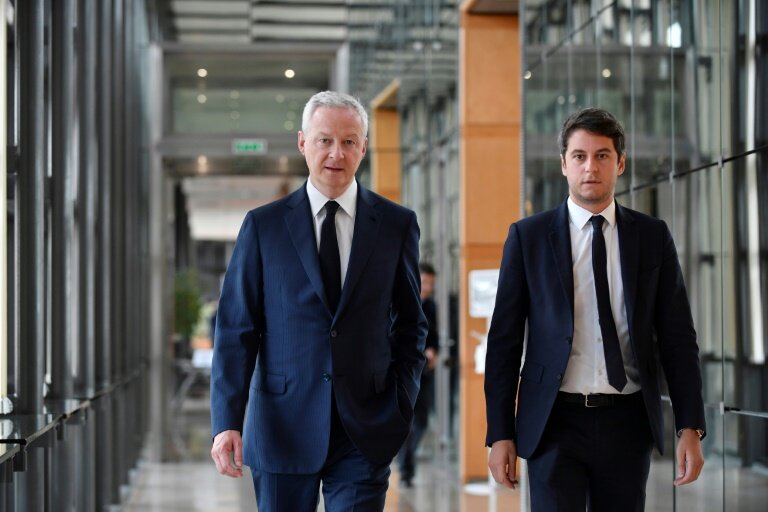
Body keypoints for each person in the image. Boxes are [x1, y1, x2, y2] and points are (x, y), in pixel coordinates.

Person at [210, 90, 428, 511]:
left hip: (365, 427)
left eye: (349, 141)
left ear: (364, 148)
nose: (336, 153)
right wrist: (227, 422)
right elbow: (237, 329)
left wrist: (401, 400)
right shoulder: (263, 227)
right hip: (281, 426)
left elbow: (411, 324)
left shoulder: (396, 225)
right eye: (325, 139)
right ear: (302, 143)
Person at [484, 107, 706, 511]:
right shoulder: (528, 238)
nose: (591, 167)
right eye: (580, 156)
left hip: (628, 421)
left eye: (602, 155)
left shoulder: (652, 237)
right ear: (564, 165)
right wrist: (500, 433)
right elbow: (503, 343)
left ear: (620, 163)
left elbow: (677, 338)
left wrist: (690, 425)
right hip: (554, 422)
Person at [398, 262, 439, 487]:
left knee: (421, 422)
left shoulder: (431, 306)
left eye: (431, 283)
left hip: (425, 373)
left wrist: (433, 351)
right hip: (406, 373)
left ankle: (406, 461)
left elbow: (435, 337)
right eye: (425, 282)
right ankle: (406, 469)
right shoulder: (405, 304)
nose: (428, 287)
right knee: (409, 423)